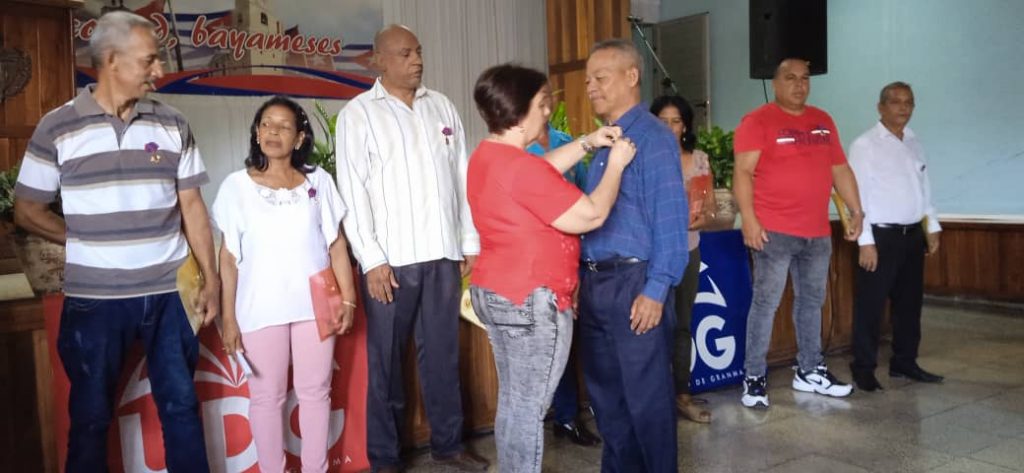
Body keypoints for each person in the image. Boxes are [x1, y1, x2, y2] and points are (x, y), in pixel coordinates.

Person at [13, 11, 217, 471]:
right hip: (95, 300)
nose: (159, 70)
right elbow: (27, 211)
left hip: (170, 294)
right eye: (149, 60)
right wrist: (82, 238)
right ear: (111, 61)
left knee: (182, 409)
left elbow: (193, 208)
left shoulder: (173, 123)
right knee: (90, 418)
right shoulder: (57, 127)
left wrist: (212, 280)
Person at [334, 24, 487, 473]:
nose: (416, 60)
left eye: (418, 51)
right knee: (386, 363)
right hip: (392, 262)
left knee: (442, 356)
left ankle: (448, 444)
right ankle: (385, 457)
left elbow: (461, 179)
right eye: (404, 54)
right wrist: (372, 259)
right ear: (378, 61)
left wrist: (468, 241)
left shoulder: (441, 106)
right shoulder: (359, 115)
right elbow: (352, 192)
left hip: (442, 254)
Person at [468, 63, 634, 472]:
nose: (547, 112)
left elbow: (541, 169)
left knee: (515, 401)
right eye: (542, 104)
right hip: (531, 297)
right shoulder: (520, 167)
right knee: (529, 409)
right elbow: (591, 215)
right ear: (519, 110)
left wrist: (588, 143)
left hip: (496, 291)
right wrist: (615, 164)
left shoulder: (488, 154)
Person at [213, 97, 357, 472]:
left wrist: (349, 298)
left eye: (283, 126)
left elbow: (336, 245)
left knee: (316, 394)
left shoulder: (319, 182)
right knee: (266, 398)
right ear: (256, 132)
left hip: (316, 304)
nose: (273, 132)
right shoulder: (235, 187)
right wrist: (228, 318)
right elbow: (227, 259)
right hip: (259, 307)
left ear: (299, 138)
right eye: (266, 124)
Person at [579, 39, 689, 473]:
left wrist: (656, 290)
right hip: (595, 283)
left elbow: (670, 220)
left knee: (648, 404)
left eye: (600, 77)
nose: (591, 87)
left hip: (634, 285)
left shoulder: (653, 138)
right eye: (588, 80)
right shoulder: (604, 142)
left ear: (631, 76)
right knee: (608, 403)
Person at [733, 58, 865, 409]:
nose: (799, 85)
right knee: (766, 304)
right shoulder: (757, 121)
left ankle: (809, 370)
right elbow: (743, 172)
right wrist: (749, 219)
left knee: (812, 302)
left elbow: (840, 168)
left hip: (816, 232)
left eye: (805, 78)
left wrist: (856, 210)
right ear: (775, 83)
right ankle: (754, 377)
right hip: (773, 232)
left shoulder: (823, 120)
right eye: (790, 78)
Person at [848, 82, 944, 392]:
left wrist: (932, 225)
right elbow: (857, 198)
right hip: (880, 237)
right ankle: (863, 367)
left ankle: (904, 362)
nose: (903, 107)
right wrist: (865, 242)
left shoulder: (914, 141)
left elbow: (923, 187)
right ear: (881, 107)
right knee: (871, 305)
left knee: (909, 304)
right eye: (895, 102)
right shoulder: (865, 145)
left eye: (908, 102)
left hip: (912, 234)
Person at [525, 124, 601, 447]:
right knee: (553, 343)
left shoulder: (567, 143)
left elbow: (585, 197)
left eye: (547, 102)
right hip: (538, 259)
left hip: (575, 254)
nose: (544, 108)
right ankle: (561, 416)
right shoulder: (518, 148)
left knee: (578, 339)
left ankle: (574, 414)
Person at [651, 95, 715, 424]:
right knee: (653, 326)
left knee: (682, 325)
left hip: (688, 249)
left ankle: (682, 395)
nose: (669, 127)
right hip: (652, 256)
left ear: (685, 126)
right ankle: (654, 398)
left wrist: (704, 218)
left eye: (675, 121)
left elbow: (712, 208)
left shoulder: (699, 160)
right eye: (662, 121)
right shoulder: (644, 159)